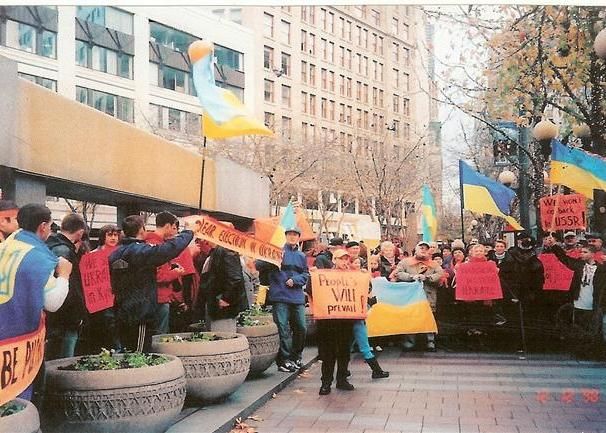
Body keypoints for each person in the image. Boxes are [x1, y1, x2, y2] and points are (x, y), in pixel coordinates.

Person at [0, 204, 71, 400]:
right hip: (17, 341)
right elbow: (53, 302)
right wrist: (64, 275)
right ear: (43, 227)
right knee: (16, 401)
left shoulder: (6, 245)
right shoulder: (38, 257)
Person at [109, 215, 193, 352]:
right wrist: (188, 232)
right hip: (139, 311)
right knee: (140, 351)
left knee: (128, 349)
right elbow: (168, 250)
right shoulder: (139, 251)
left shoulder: (116, 253)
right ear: (142, 229)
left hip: (122, 308)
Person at [256, 227, 309, 372]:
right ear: (285, 236)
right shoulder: (275, 251)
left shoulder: (301, 256)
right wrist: (271, 259)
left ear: (298, 237)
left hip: (296, 297)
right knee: (282, 328)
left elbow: (305, 274)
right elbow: (258, 265)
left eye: (295, 235)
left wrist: (296, 280)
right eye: (290, 234)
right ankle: (284, 360)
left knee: (301, 327)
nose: (292, 237)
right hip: (279, 295)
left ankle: (296, 356)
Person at [543, 236, 606, 343]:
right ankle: (580, 350)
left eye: (585, 252)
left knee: (593, 331)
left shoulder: (601, 269)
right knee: (578, 328)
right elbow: (564, 258)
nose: (581, 254)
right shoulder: (579, 265)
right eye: (581, 252)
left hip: (594, 304)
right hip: (579, 303)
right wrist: (554, 245)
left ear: (592, 254)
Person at [46, 213, 88, 359]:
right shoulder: (65, 252)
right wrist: (78, 314)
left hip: (52, 314)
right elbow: (71, 287)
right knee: (64, 358)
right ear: (80, 232)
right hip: (66, 316)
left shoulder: (50, 246)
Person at [314, 249, 356, 395]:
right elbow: (310, 290)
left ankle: (342, 379)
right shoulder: (323, 275)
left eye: (346, 259)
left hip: (346, 319)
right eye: (341, 259)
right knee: (328, 353)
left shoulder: (354, 276)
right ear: (334, 260)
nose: (344, 262)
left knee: (344, 351)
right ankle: (326, 383)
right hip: (328, 320)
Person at [394, 241, 444, 351]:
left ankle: (430, 341)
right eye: (420, 248)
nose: (423, 250)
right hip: (410, 296)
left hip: (428, 295)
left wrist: (427, 278)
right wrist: (412, 276)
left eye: (425, 248)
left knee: (429, 317)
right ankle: (409, 342)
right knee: (410, 317)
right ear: (415, 249)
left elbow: (440, 274)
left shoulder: (434, 264)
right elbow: (398, 273)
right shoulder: (405, 262)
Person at [145, 212, 187, 335]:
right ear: (168, 226)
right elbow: (158, 276)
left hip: (154, 296)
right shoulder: (157, 246)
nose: (175, 232)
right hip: (160, 297)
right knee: (160, 334)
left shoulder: (150, 242)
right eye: (174, 228)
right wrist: (175, 273)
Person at [349, 256, 389, 379]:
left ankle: (376, 370)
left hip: (358, 314)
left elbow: (369, 290)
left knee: (362, 343)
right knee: (353, 344)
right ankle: (376, 370)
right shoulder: (345, 276)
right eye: (354, 262)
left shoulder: (363, 275)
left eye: (358, 263)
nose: (357, 265)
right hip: (349, 314)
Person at [206, 243, 248, 332]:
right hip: (220, 302)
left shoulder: (226, 250)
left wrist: (226, 298)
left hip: (224, 305)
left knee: (224, 337)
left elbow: (235, 278)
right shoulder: (221, 250)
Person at [499, 232, 544, 313]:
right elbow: (505, 272)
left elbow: (539, 273)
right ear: (518, 241)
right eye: (522, 240)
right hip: (514, 289)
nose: (525, 242)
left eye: (527, 240)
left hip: (530, 290)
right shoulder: (511, 254)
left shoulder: (535, 255)